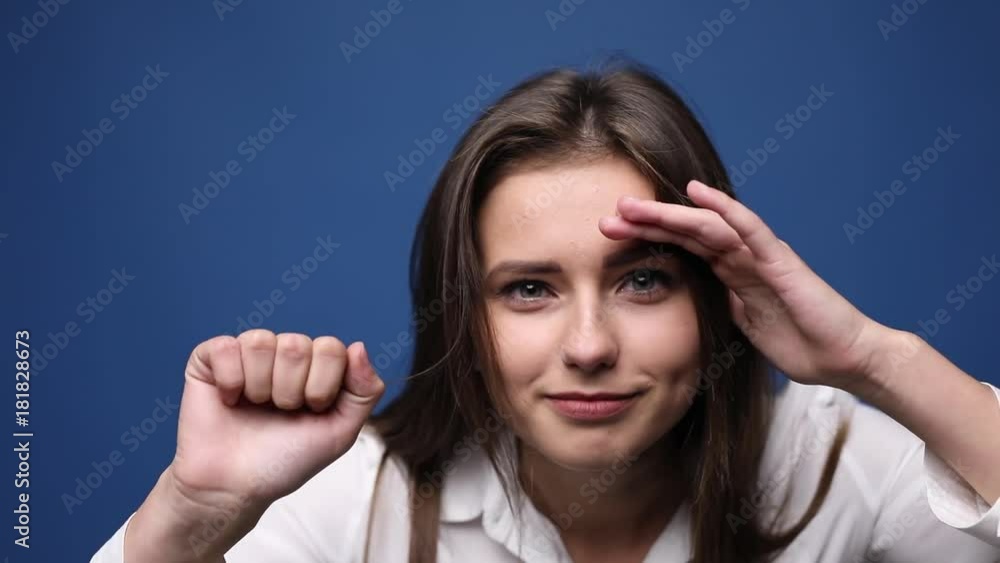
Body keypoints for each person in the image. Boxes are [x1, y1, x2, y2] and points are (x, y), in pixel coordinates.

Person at [90, 61, 1000, 563]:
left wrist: (876, 358)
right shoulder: (354, 499)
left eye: (644, 280)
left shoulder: (832, 461)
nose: (591, 345)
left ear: (719, 298)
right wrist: (194, 513)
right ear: (464, 317)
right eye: (529, 288)